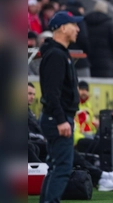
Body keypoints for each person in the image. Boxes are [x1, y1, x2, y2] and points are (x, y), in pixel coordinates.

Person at [38, 11, 82, 203]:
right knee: (63, 167)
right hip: (58, 119)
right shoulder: (56, 55)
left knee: (55, 166)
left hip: (56, 118)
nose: (78, 29)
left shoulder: (59, 53)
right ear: (63, 28)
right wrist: (61, 120)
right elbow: (51, 93)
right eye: (74, 25)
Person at [85, 0, 113, 78]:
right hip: (106, 61)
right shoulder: (109, 24)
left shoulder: (86, 22)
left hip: (89, 59)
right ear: (105, 10)